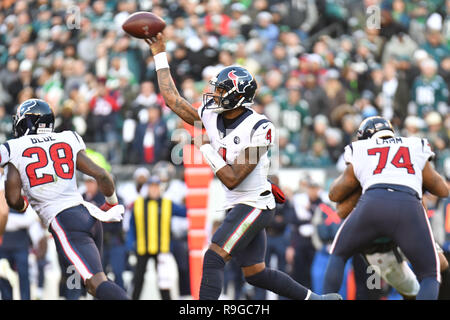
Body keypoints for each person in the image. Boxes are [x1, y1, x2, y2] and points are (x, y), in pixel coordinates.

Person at [145, 33, 341, 301]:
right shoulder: (212, 115)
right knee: (255, 272)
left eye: (221, 90)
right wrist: (159, 54)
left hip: (255, 204)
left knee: (213, 257)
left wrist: (203, 146)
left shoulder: (260, 128)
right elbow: (173, 100)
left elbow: (233, 178)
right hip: (239, 203)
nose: (214, 94)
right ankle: (316, 300)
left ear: (237, 96)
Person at [0, 98, 129, 300]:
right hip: (88, 215)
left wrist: (24, 205)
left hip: (65, 222)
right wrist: (111, 203)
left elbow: (13, 198)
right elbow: (103, 175)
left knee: (97, 283)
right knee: (92, 284)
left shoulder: (13, 147)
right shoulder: (68, 138)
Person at [323, 116, 449, 299]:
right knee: (430, 275)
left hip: (374, 211)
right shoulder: (413, 145)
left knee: (338, 253)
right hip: (396, 228)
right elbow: (442, 189)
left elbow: (334, 195)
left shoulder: (361, 150)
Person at [126, 175, 186, 300]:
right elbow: (131, 227)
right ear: (148, 188)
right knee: (138, 280)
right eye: (151, 187)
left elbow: (185, 212)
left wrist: (190, 199)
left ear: (160, 188)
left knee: (163, 282)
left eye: (156, 187)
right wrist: (131, 244)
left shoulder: (167, 204)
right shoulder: (138, 204)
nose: (154, 190)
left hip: (161, 249)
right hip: (143, 248)